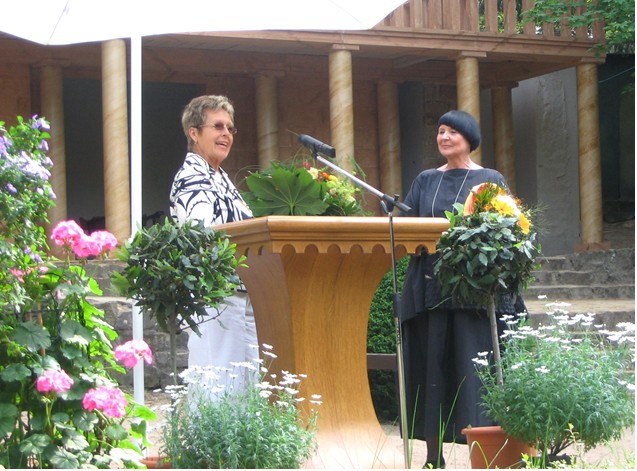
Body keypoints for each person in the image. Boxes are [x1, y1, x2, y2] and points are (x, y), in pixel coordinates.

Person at [399, 110, 521, 468]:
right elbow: (406, 226)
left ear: (469, 138)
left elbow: (507, 229)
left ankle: (485, 457)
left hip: (474, 294)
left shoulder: (490, 179)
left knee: (475, 374)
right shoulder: (425, 180)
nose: (444, 137)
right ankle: (433, 458)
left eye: (453, 131)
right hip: (431, 289)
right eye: (440, 131)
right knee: (433, 371)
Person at [170, 94, 257, 393]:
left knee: (250, 390)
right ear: (194, 133)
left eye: (230, 128)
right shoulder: (192, 177)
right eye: (217, 126)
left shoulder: (221, 178)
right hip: (214, 296)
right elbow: (202, 235)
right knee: (217, 388)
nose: (226, 134)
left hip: (243, 293)